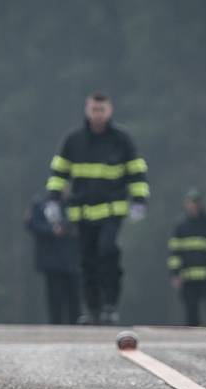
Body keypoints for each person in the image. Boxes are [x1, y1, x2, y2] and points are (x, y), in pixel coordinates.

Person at [44, 92, 149, 325]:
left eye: (102, 110)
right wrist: (52, 200)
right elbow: (59, 173)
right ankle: (92, 309)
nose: (98, 115)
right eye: (94, 110)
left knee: (107, 251)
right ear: (87, 110)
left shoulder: (122, 140)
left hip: (112, 211)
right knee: (87, 260)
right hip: (82, 212)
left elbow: (137, 171)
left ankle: (110, 305)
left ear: (109, 111)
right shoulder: (73, 141)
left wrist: (140, 200)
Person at [25, 191, 81, 324]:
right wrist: (51, 230)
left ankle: (76, 326)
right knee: (55, 297)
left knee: (75, 297)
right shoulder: (41, 204)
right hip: (52, 260)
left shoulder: (76, 203)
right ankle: (56, 325)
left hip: (74, 259)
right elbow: (31, 224)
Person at [168, 189, 206, 326]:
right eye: (190, 203)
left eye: (195, 203)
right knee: (191, 311)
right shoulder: (180, 227)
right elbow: (174, 253)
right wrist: (175, 274)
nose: (193, 206)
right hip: (187, 277)